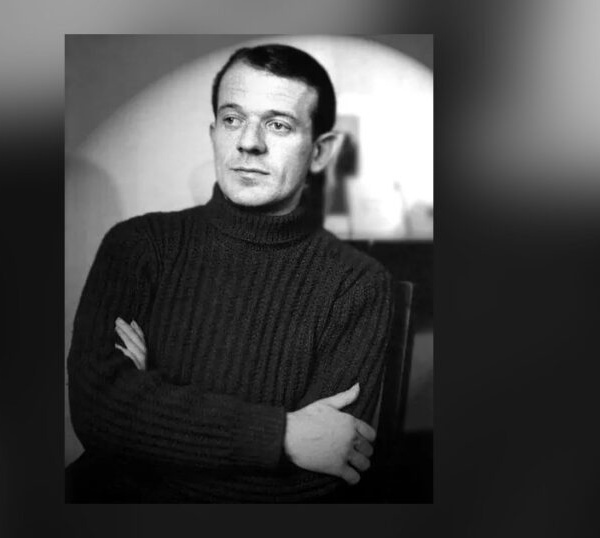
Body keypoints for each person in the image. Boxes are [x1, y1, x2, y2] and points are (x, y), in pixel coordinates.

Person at [66, 43, 392, 502]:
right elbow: (97, 413)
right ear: (214, 132)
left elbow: (320, 478)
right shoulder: (138, 245)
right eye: (233, 119)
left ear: (320, 152)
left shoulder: (357, 284)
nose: (248, 142)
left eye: (278, 124)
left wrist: (146, 416)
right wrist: (281, 435)